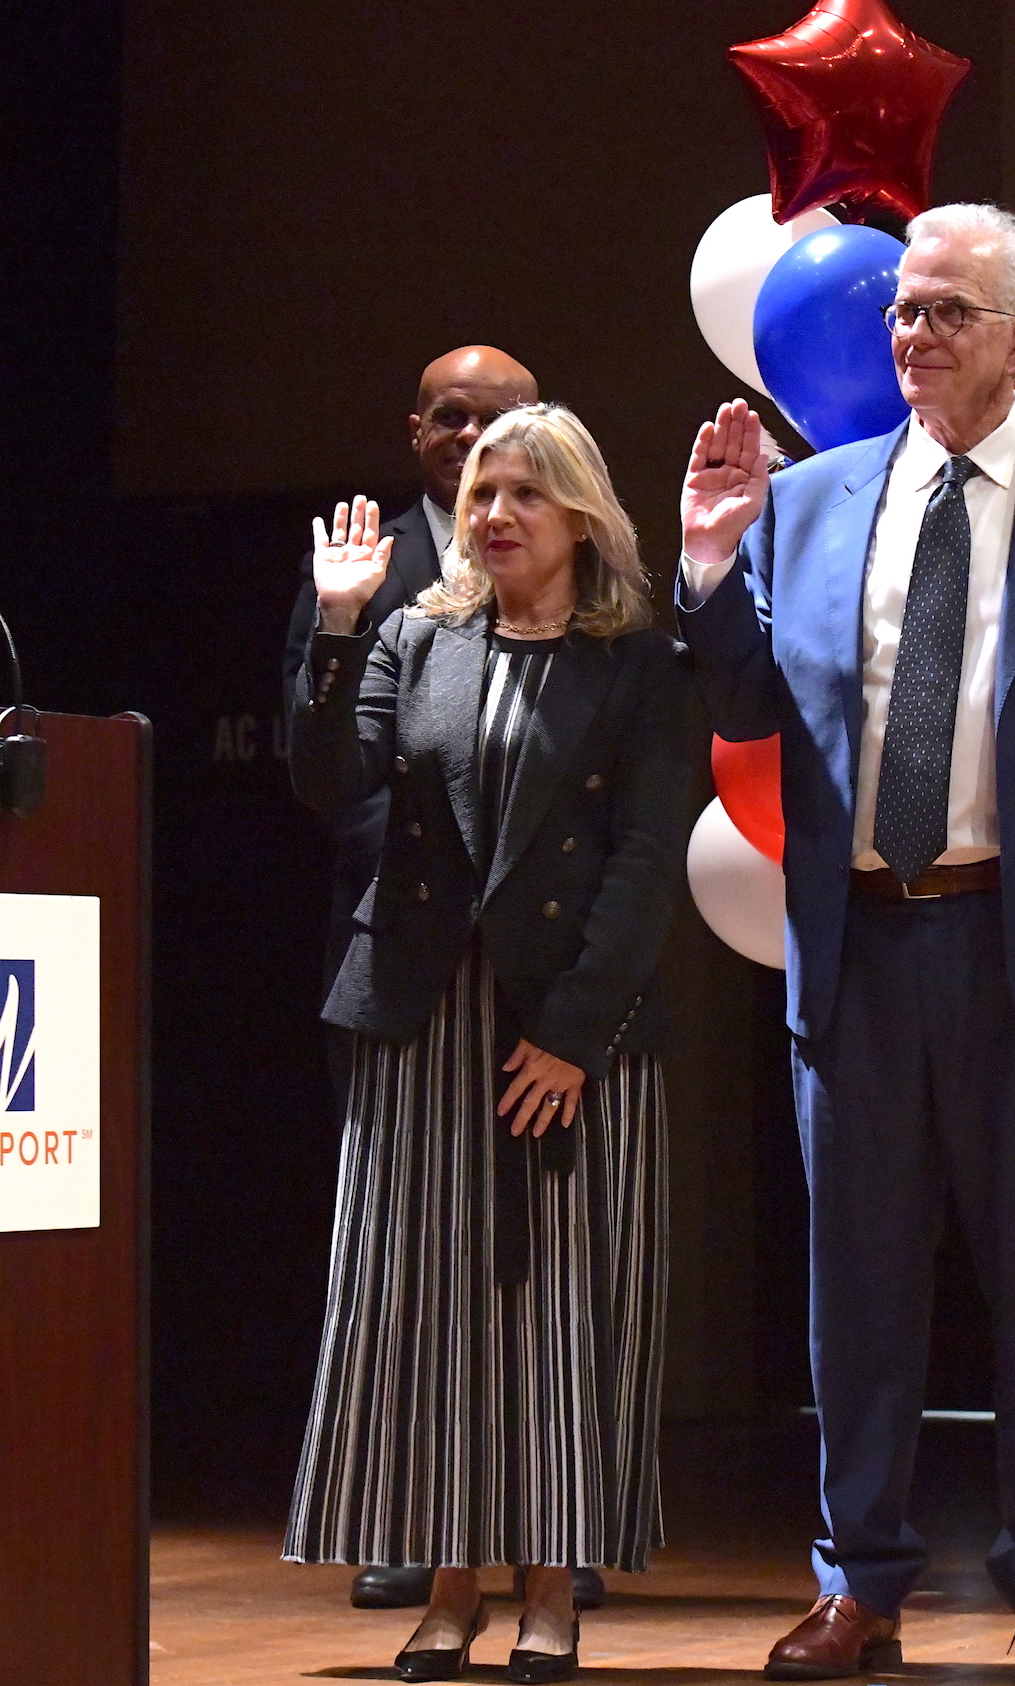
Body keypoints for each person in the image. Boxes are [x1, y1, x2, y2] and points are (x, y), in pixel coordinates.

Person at [677, 203, 1015, 1682]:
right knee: (860, 1289)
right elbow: (743, 708)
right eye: (904, 309)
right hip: (860, 955)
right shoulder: (816, 498)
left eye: (947, 311)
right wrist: (711, 571)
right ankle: (861, 1582)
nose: (912, 333)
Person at [285, 404, 690, 1684]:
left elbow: (642, 864)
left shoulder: (635, 660)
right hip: (423, 1025)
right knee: (428, 1311)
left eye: (524, 491)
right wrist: (339, 628)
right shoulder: (417, 633)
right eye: (479, 492)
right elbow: (325, 781)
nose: (496, 513)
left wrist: (574, 1033)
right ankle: (449, 1586)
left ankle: (554, 1587)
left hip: (565, 1025)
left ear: (580, 512)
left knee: (562, 1307)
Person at [278, 347, 579, 1615]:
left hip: (539, 972)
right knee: (408, 1269)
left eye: (500, 423)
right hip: (404, 953)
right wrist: (341, 621)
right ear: (417, 436)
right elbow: (321, 772)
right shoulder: (371, 570)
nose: (476, 449)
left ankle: (543, 1536)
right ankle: (416, 1527)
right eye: (452, 423)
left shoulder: (588, 596)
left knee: (537, 1275)